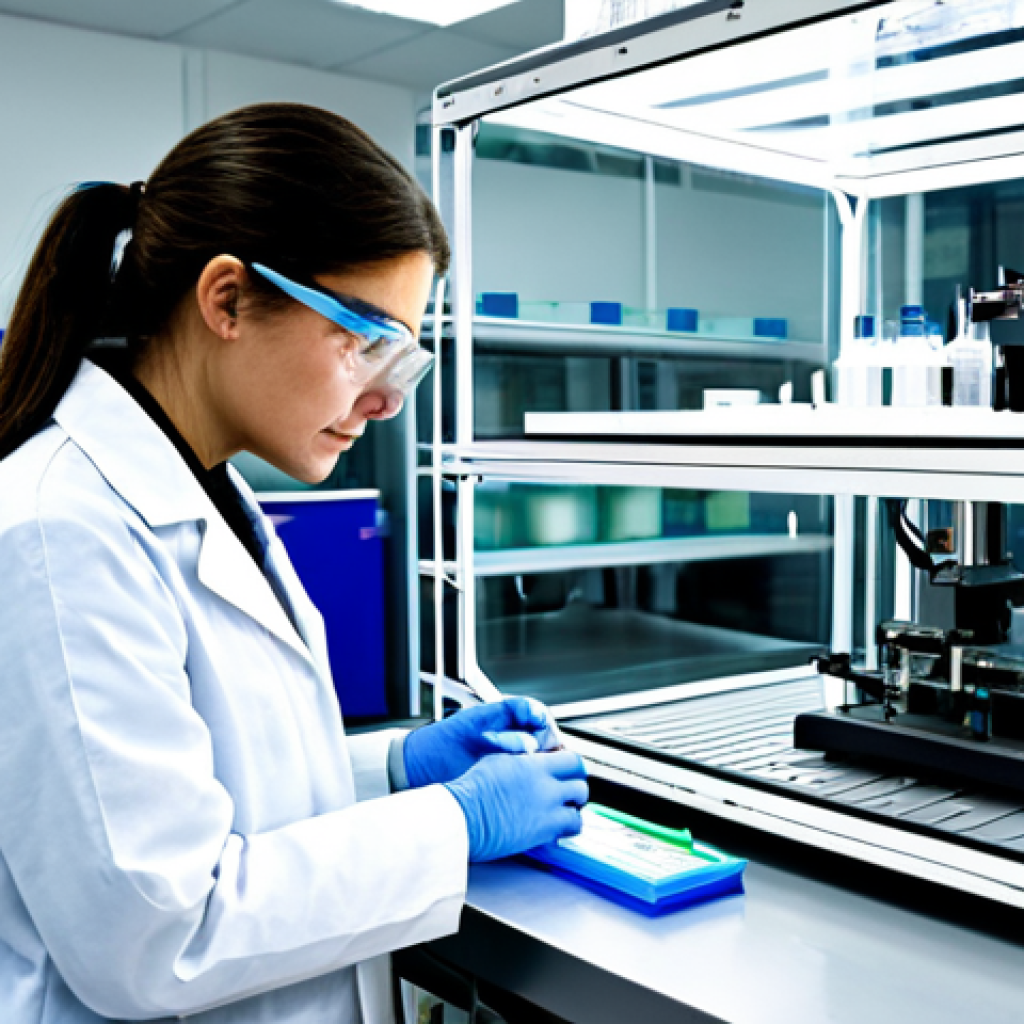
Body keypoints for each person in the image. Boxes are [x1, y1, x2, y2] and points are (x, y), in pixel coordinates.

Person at [0, 103, 588, 1024]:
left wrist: (394, 769)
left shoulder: (207, 492)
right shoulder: (57, 532)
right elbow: (157, 934)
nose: (388, 401)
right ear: (227, 299)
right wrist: (454, 822)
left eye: (404, 357)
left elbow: (201, 784)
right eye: (364, 342)